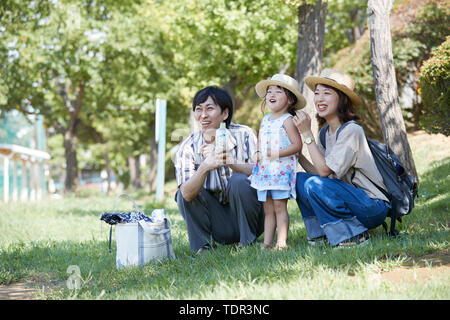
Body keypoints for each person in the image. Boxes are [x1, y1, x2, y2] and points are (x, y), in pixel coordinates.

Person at [293, 69, 391, 247]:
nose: (319, 99)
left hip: (372, 205)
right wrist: (299, 155)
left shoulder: (352, 131)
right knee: (299, 179)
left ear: (342, 99)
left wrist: (306, 133)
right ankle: (322, 233)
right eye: (317, 93)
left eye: (327, 93)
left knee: (312, 184)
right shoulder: (325, 133)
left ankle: (354, 235)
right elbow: (322, 174)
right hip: (350, 197)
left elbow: (322, 173)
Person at [174, 86, 265, 255]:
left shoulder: (245, 134)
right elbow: (186, 194)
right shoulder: (188, 146)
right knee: (185, 191)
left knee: (238, 181)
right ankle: (204, 246)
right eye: (198, 109)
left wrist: (229, 161)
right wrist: (205, 167)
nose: (203, 115)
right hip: (219, 224)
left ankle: (247, 242)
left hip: (254, 217)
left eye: (209, 108)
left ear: (225, 113)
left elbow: (263, 171)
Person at [249, 74, 305, 250]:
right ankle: (266, 242)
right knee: (268, 209)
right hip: (265, 171)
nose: (271, 94)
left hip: (280, 171)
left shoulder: (287, 120)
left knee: (280, 207)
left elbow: (297, 145)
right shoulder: (265, 120)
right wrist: (257, 153)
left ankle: (281, 242)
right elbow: (259, 142)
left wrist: (275, 154)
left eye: (277, 91)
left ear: (289, 99)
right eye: (269, 91)